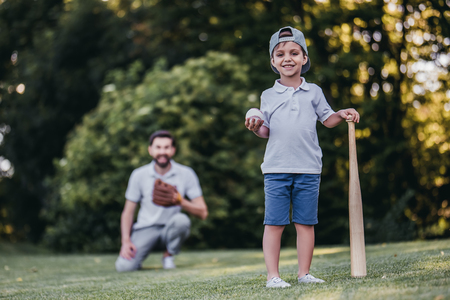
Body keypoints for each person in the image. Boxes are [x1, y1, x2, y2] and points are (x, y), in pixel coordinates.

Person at [245, 26, 360, 288]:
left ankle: (303, 273)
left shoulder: (315, 92)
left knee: (305, 223)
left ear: (304, 58)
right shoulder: (268, 95)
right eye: (281, 54)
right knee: (274, 223)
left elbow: (327, 119)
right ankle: (272, 276)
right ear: (273, 62)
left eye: (294, 52)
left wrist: (341, 114)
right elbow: (265, 130)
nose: (288, 58)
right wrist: (255, 127)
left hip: (309, 168)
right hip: (276, 168)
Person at [115, 130, 208, 272]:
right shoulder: (139, 175)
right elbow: (128, 212)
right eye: (158, 147)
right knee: (124, 267)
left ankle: (168, 255)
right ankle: (137, 259)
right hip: (145, 228)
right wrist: (126, 241)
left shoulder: (186, 173)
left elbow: (203, 213)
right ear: (150, 150)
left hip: (170, 228)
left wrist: (180, 201)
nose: (162, 152)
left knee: (182, 221)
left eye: (166, 147)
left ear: (173, 150)